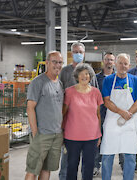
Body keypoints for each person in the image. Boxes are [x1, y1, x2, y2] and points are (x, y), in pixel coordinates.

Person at [58, 42, 99, 180]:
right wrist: (62, 127)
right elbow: (59, 95)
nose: (78, 54)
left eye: (80, 52)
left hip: (89, 130)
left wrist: (98, 131)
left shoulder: (90, 74)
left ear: (84, 53)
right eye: (75, 52)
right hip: (71, 127)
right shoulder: (65, 72)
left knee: (87, 164)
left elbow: (97, 107)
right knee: (69, 162)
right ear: (71, 53)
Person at [100, 53, 137, 180]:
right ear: (115, 64)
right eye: (120, 63)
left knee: (130, 155)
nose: (123, 66)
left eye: (125, 64)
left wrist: (127, 114)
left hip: (130, 121)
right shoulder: (108, 80)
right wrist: (121, 112)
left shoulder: (134, 80)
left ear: (129, 65)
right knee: (108, 154)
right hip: (112, 121)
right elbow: (106, 101)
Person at [25, 51, 64, 180]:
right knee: (33, 170)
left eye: (60, 62)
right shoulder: (38, 82)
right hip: (41, 134)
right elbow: (30, 108)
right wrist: (35, 133)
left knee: (47, 169)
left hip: (56, 134)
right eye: (54, 62)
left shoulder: (59, 83)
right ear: (47, 63)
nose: (57, 65)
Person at [93, 52, 116, 176]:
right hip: (100, 113)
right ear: (103, 61)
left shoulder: (119, 77)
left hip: (115, 113)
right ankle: (96, 165)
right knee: (98, 139)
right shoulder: (96, 78)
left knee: (116, 138)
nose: (109, 62)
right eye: (107, 59)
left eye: (111, 60)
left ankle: (122, 165)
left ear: (114, 62)